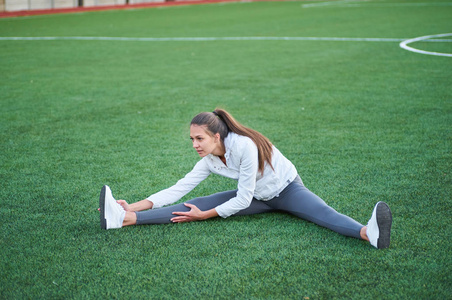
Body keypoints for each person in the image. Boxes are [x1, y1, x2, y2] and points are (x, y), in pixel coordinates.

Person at [99, 109, 392, 249]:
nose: (194, 145)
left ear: (216, 136)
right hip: (255, 197)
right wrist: (134, 206)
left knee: (323, 214)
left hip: (285, 190)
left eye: (199, 138)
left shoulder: (244, 146)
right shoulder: (210, 158)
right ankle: (123, 219)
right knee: (193, 202)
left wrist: (207, 216)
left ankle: (369, 233)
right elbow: (180, 187)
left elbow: (241, 197)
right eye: (191, 139)